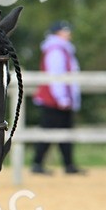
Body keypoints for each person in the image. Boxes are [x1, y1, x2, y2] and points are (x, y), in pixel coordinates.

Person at [31, 20, 84, 174]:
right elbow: (56, 76)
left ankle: (68, 164)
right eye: (65, 31)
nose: (69, 34)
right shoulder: (56, 50)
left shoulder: (63, 49)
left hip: (58, 99)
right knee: (49, 132)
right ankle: (38, 163)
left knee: (64, 132)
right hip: (54, 100)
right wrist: (61, 97)